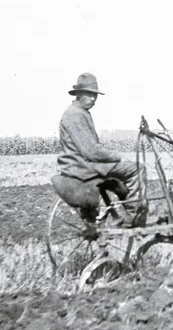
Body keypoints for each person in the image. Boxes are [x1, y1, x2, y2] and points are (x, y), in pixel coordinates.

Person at [51, 72, 147, 227]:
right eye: (89, 95)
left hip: (81, 163)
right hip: (84, 166)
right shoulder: (75, 115)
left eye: (95, 95)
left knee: (124, 173)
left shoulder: (79, 113)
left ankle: (119, 210)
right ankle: (136, 215)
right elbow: (90, 151)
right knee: (137, 169)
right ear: (79, 93)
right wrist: (115, 155)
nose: (93, 99)